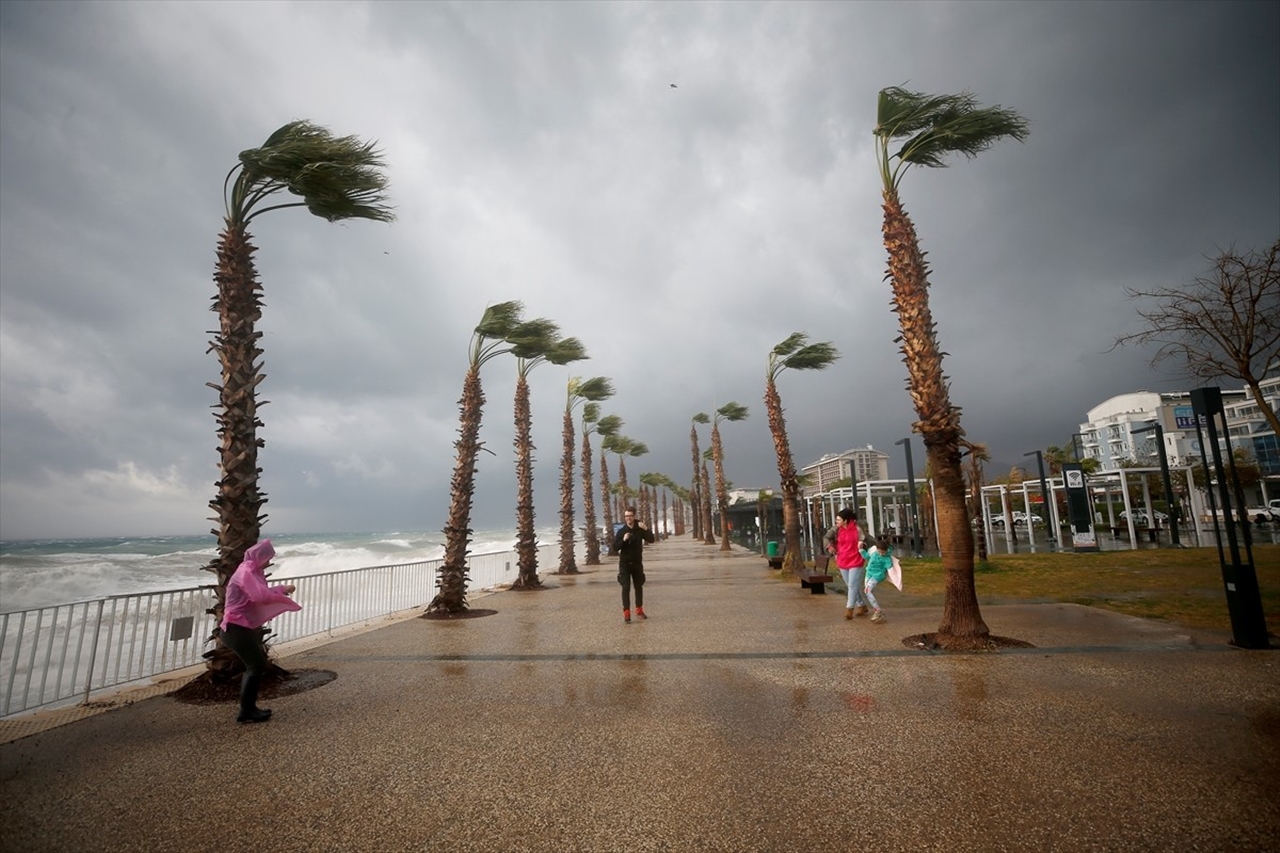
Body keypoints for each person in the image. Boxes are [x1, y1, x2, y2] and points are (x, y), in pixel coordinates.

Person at [219, 539, 301, 723]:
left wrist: (281, 589)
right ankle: (247, 711)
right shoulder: (246, 571)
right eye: (268, 558)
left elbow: (260, 592)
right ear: (260, 557)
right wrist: (282, 593)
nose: (269, 562)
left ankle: (248, 709)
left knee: (256, 665)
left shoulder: (252, 571)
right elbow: (260, 596)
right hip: (234, 627)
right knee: (255, 665)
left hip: (241, 627)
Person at [613, 507, 655, 623]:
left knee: (638, 587)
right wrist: (624, 540)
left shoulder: (640, 529)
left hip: (637, 563)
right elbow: (615, 547)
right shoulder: (622, 531)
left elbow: (651, 540)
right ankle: (626, 613)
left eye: (630, 516)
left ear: (634, 516)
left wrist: (646, 528)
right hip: (624, 564)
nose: (628, 518)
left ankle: (639, 609)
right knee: (625, 587)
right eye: (626, 516)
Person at [824, 507, 867, 619]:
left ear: (846, 520)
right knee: (851, 585)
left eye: (838, 520)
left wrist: (863, 545)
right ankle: (862, 605)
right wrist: (829, 546)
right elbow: (826, 538)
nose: (836, 522)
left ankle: (849, 609)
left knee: (852, 585)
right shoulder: (836, 529)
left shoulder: (857, 529)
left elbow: (867, 540)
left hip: (856, 560)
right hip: (842, 560)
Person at [859, 535, 894, 623]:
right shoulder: (874, 553)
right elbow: (867, 557)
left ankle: (878, 611)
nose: (881, 554)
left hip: (877, 575)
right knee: (867, 592)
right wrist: (861, 550)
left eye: (883, 552)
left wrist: (893, 573)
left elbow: (890, 567)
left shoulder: (887, 558)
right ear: (877, 549)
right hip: (869, 573)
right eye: (879, 552)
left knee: (868, 591)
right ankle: (878, 612)